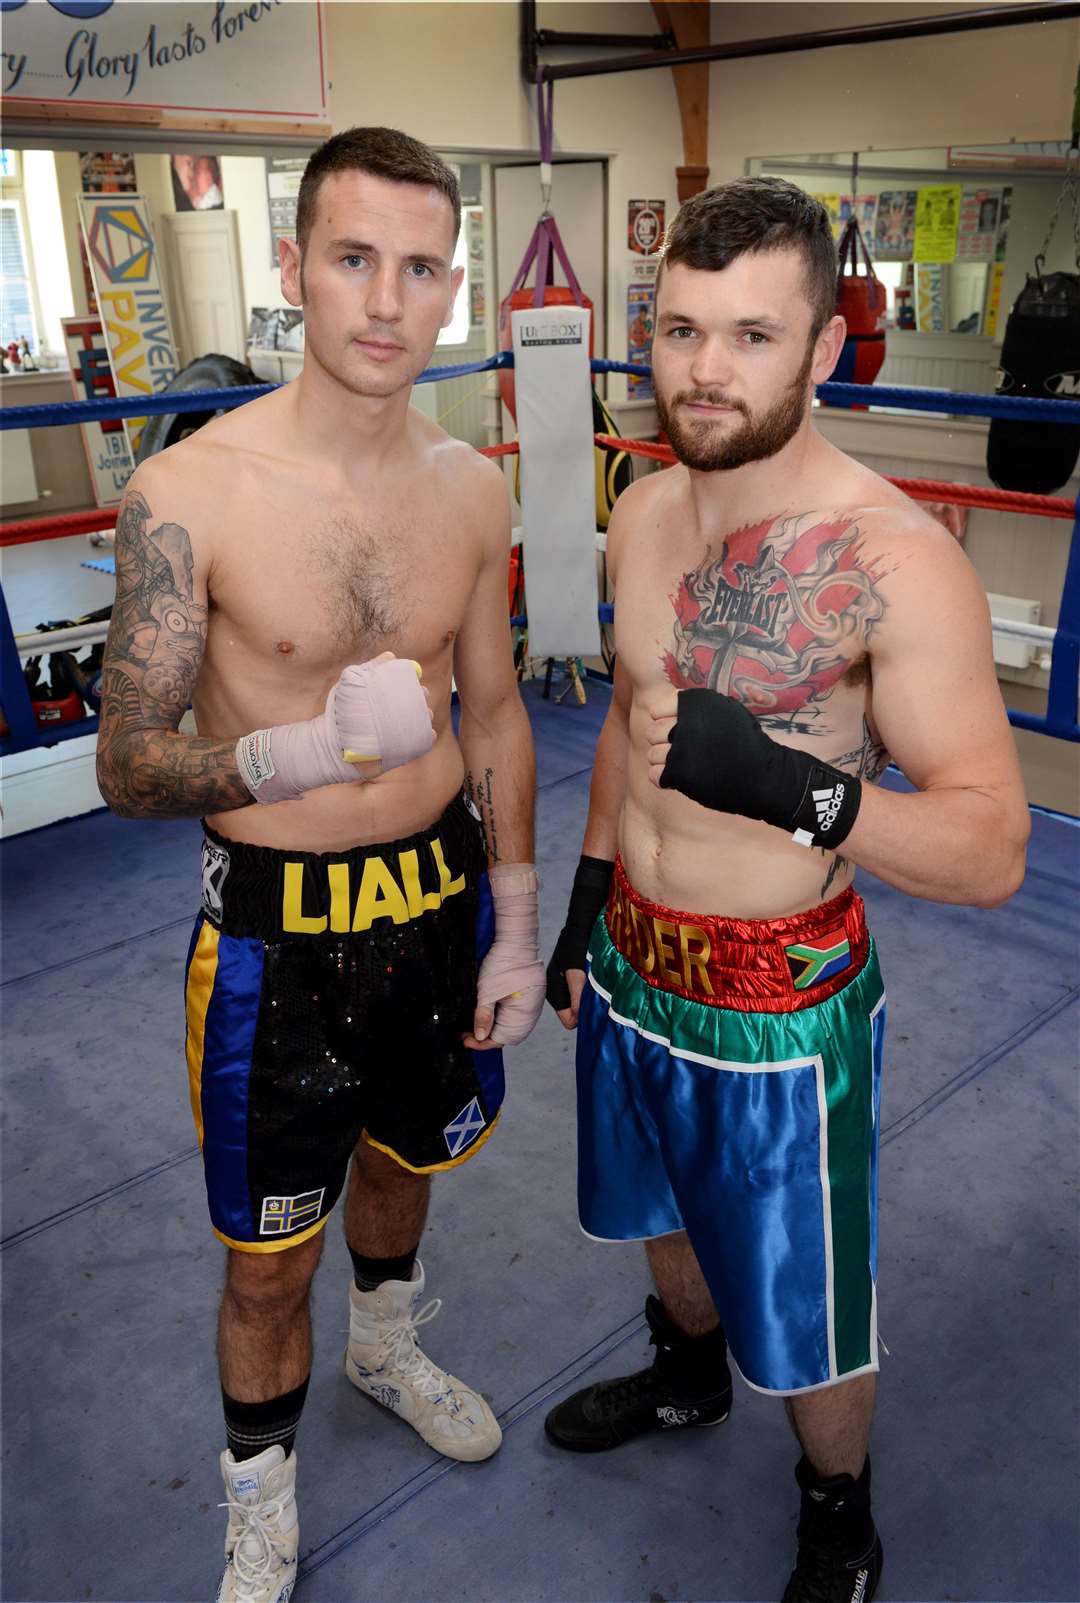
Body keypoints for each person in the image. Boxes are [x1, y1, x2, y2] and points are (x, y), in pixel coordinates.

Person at [544, 177, 1029, 1603]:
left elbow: (993, 844)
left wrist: (792, 787)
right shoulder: (639, 508)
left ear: (825, 347)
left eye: (752, 334)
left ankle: (838, 1507)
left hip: (781, 989)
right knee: (660, 1216)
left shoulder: (896, 561)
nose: (704, 369)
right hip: (633, 955)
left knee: (811, 1301)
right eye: (681, 328)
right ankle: (688, 1376)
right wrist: (584, 905)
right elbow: (630, 737)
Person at [96, 126, 545, 1603]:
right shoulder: (191, 495)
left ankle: (389, 1343)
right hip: (277, 941)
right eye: (353, 259)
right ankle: (259, 1488)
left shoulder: (472, 489)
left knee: (409, 1165)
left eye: (420, 269)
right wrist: (288, 757)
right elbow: (126, 763)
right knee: (265, 1259)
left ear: (452, 290)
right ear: (295, 269)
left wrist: (518, 919)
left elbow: (493, 717)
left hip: (435, 907)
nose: (384, 299)